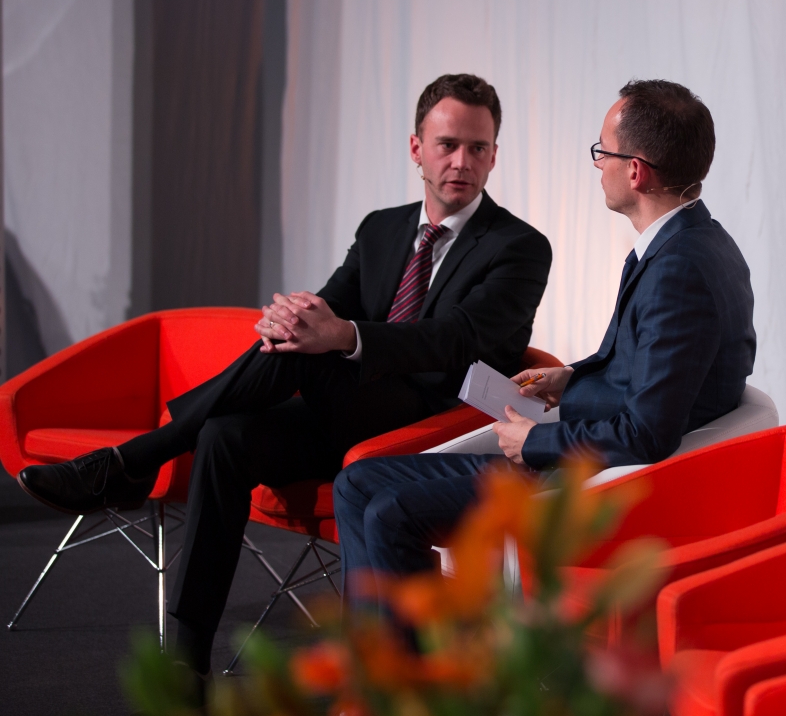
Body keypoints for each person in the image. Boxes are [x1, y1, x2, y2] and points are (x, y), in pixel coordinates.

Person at [17, 73, 552, 675]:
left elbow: (461, 339)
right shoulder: (382, 228)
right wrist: (289, 317)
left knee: (308, 347)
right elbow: (329, 303)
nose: (462, 162)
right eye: (448, 144)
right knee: (225, 437)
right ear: (416, 149)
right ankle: (188, 662)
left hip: (429, 424)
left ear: (495, 155)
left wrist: (338, 335)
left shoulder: (520, 246)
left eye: (478, 148)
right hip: (347, 409)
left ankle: (139, 458)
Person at [333, 79, 755, 595]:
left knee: (390, 511)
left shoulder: (680, 269)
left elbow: (649, 433)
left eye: (603, 153)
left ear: (636, 171)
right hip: (578, 451)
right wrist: (571, 379)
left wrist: (537, 440)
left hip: (590, 480)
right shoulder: (689, 242)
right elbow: (648, 374)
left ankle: (416, 671)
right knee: (357, 484)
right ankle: (390, 665)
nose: (599, 166)